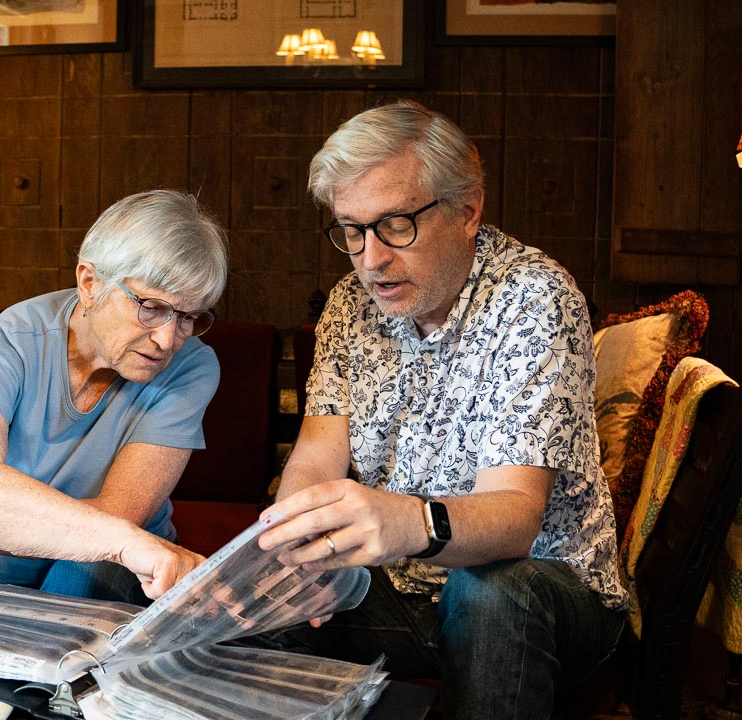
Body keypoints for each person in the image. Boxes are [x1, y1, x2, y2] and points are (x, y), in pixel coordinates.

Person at [254, 100, 628, 718]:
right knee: (248, 609)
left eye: (397, 224)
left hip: (547, 595)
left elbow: (515, 518)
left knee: (491, 589)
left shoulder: (534, 299)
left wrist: (405, 521)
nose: (371, 259)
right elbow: (319, 454)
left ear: (467, 209)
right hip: (403, 589)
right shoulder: (350, 303)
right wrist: (302, 549)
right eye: (351, 230)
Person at [0, 189, 229, 620]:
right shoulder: (4, 341)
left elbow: (115, 521)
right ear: (90, 282)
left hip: (107, 557)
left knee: (64, 608)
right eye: (152, 308)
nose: (168, 339)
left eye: (190, 316)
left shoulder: (192, 366)